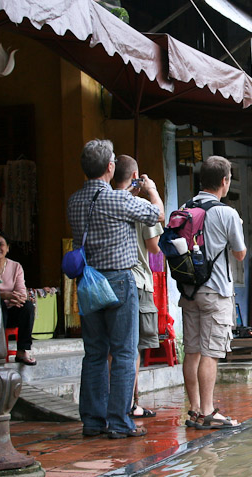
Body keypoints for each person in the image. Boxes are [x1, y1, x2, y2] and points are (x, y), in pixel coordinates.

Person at [67, 139, 163, 439]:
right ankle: (120, 422)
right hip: (119, 281)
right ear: (110, 167)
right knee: (123, 352)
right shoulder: (117, 200)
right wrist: (151, 192)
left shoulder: (74, 201)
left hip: (88, 280)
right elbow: (157, 215)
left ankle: (93, 422)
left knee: (94, 353)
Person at [179, 156, 246, 430]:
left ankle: (194, 409)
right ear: (224, 181)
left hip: (188, 291)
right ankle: (208, 412)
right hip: (215, 292)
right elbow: (240, 254)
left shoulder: (184, 208)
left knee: (192, 350)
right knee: (210, 353)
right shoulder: (227, 213)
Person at [112, 154, 161, 419]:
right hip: (137, 281)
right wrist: (151, 190)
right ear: (135, 178)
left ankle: (112, 402)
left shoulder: (102, 201)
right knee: (133, 348)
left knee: (111, 348)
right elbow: (154, 247)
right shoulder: (139, 205)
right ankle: (130, 403)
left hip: (108, 281)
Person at [0, 234, 36, 366]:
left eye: (1, 244)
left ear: (7, 248)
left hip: (12, 309)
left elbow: (21, 291)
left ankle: (22, 351)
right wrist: (6, 296)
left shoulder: (16, 266)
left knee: (28, 306)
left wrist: (14, 298)